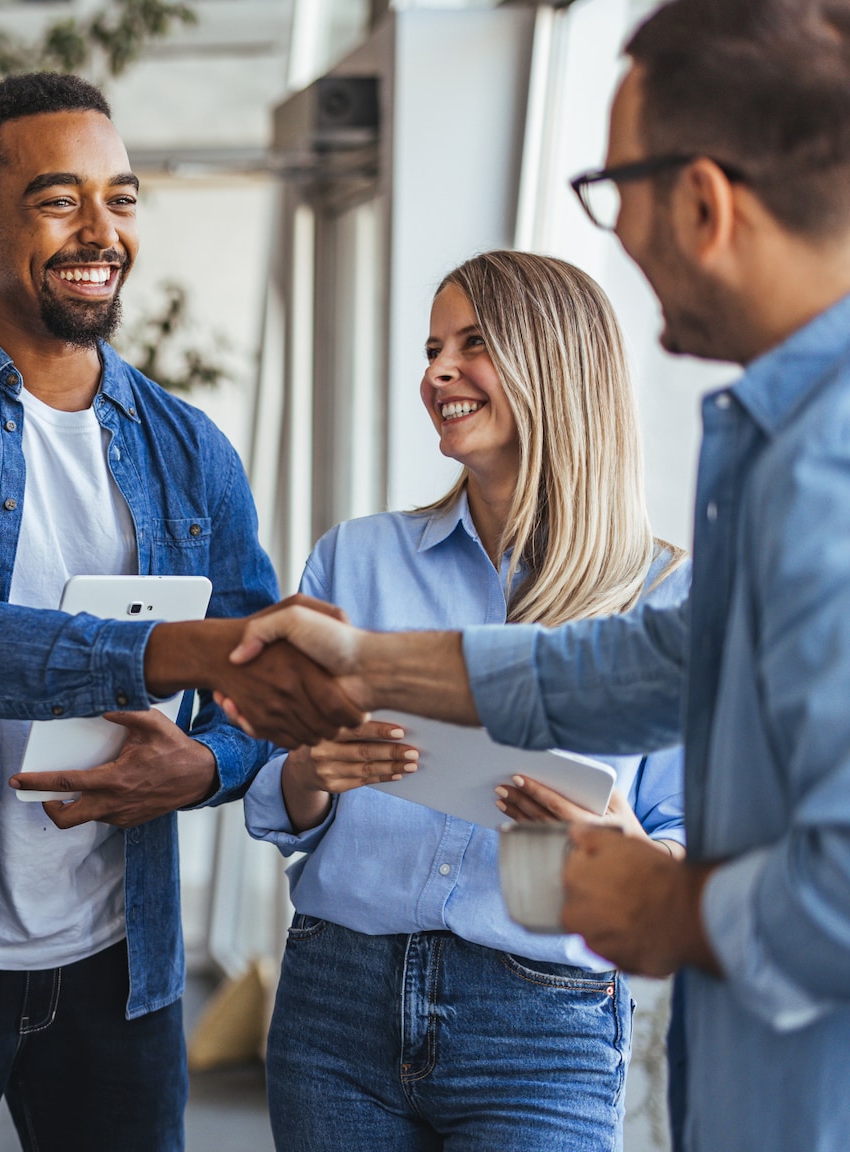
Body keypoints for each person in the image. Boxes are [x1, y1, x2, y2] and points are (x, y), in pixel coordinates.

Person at [226, 2, 850, 1147]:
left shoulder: (821, 464)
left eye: (613, 192)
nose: (613, 237)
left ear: (703, 202)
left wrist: (665, 901)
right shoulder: (769, 440)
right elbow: (642, 664)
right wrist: (366, 663)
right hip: (353, 997)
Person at [0, 72, 357, 1152]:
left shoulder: (185, 445)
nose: (98, 231)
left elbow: (252, 700)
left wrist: (204, 768)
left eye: (121, 197)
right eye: (59, 200)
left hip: (117, 961)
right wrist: (181, 648)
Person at [247, 250, 689, 1150]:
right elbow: (271, 781)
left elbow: (689, 836)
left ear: (555, 364)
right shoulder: (356, 559)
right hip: (339, 997)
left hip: (544, 1022)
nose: (437, 372)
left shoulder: (666, 595)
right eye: (431, 346)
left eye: (473, 343)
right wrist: (310, 775)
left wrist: (628, 851)